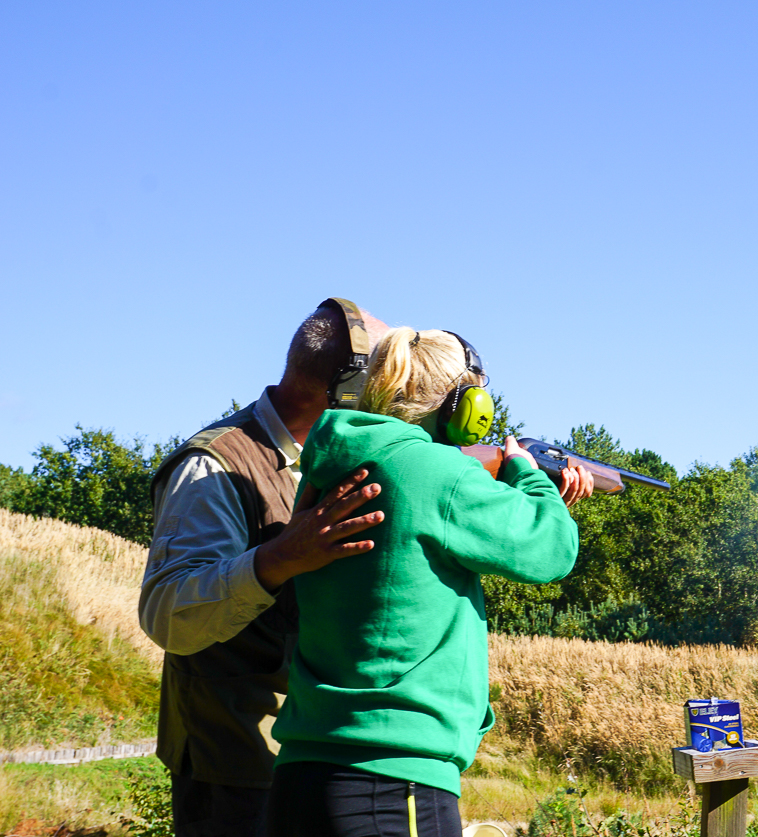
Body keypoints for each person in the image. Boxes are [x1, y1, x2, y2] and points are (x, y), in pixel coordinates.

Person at [264, 327, 586, 837]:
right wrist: (530, 475)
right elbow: (551, 549)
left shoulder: (333, 461)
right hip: (392, 782)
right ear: (464, 405)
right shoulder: (438, 473)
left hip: (300, 774)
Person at [139, 299, 394, 837]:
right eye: (389, 373)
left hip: (314, 755)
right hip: (235, 767)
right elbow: (167, 614)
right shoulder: (213, 465)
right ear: (350, 388)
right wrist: (280, 558)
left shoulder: (340, 459)